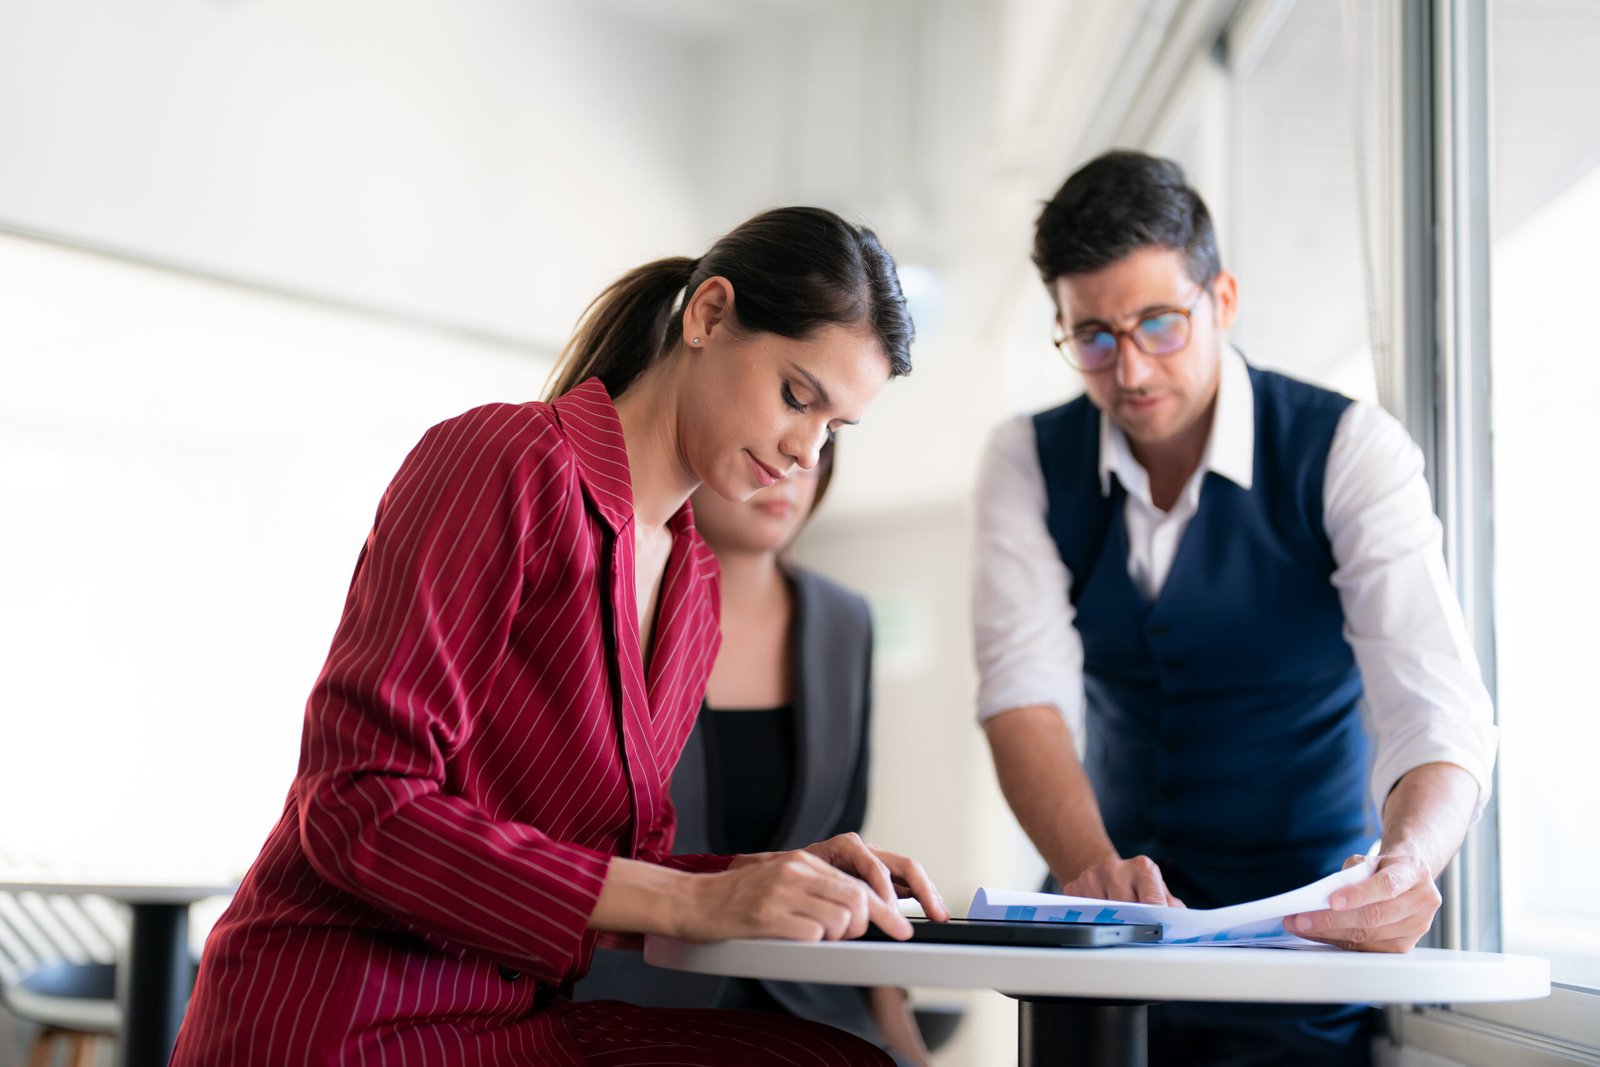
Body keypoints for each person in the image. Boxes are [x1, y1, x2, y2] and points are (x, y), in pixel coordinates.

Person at [171, 206, 949, 1067]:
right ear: (709, 314)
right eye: (798, 396)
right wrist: (697, 902)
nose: (806, 450)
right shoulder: (503, 459)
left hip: (505, 1021)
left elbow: (610, 873)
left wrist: (762, 877)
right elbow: (357, 803)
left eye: (836, 427)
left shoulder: (692, 586)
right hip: (342, 1011)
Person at [972, 150, 1497, 1065]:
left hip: (1302, 955)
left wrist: (1410, 861)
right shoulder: (1024, 461)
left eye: (1159, 324)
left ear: (1222, 300)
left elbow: (1434, 701)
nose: (1129, 369)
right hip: (1105, 960)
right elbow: (1025, 693)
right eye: (1093, 335)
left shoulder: (1348, 451)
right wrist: (1093, 871)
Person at [575, 438, 933, 1067]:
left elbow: (844, 846)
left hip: (809, 994)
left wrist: (905, 1040)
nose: (795, 468)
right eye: (777, 435)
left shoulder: (844, 622)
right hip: (634, 994)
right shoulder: (617, 600)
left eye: (822, 443)